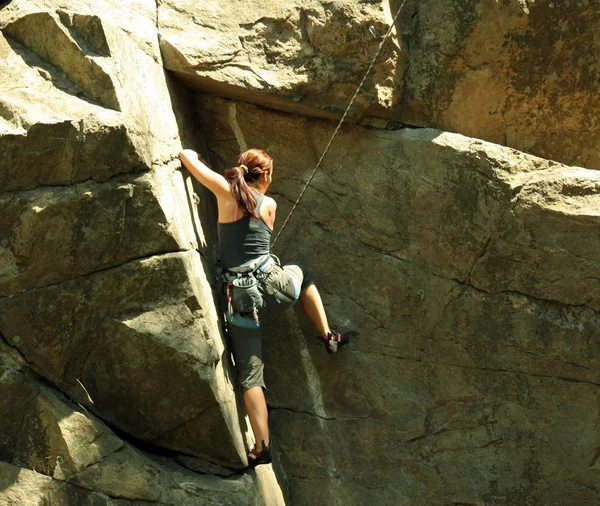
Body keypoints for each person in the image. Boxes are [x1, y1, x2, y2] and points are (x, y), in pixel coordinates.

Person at [179, 148, 349, 468]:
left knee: (250, 375)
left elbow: (188, 160)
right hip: (275, 285)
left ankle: (262, 447)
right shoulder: (269, 205)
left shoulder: (224, 191)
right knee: (302, 274)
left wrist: (189, 152)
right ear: (266, 177)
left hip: (241, 299)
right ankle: (328, 335)